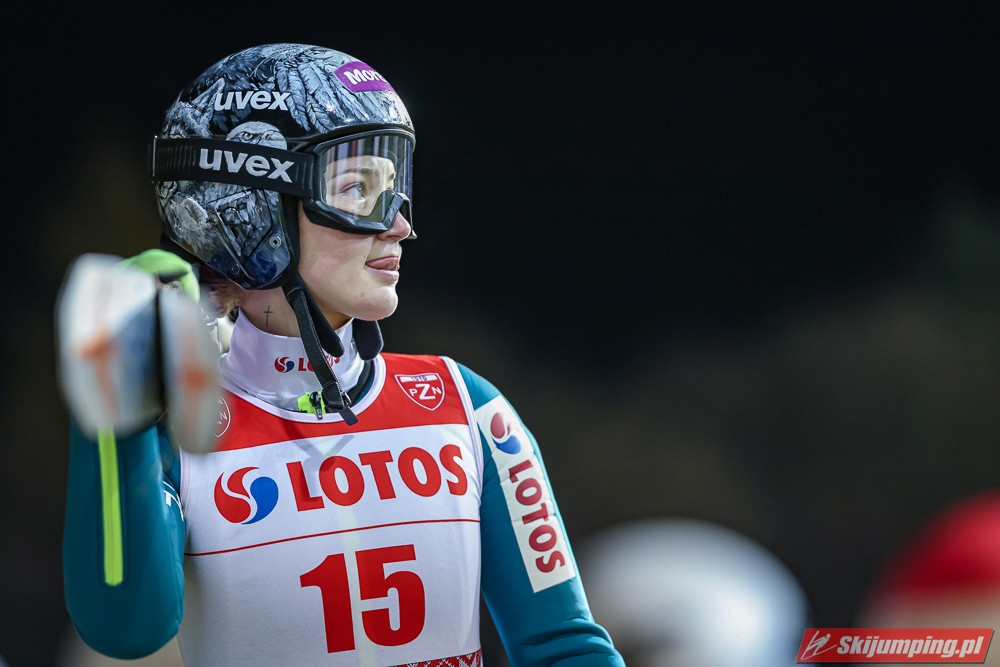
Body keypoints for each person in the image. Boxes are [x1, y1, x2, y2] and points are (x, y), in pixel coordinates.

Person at [56, 43, 624, 666]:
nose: (400, 226)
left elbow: (564, 646)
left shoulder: (468, 409)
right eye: (357, 188)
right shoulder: (175, 431)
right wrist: (117, 424)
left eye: (396, 190)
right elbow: (126, 631)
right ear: (250, 211)